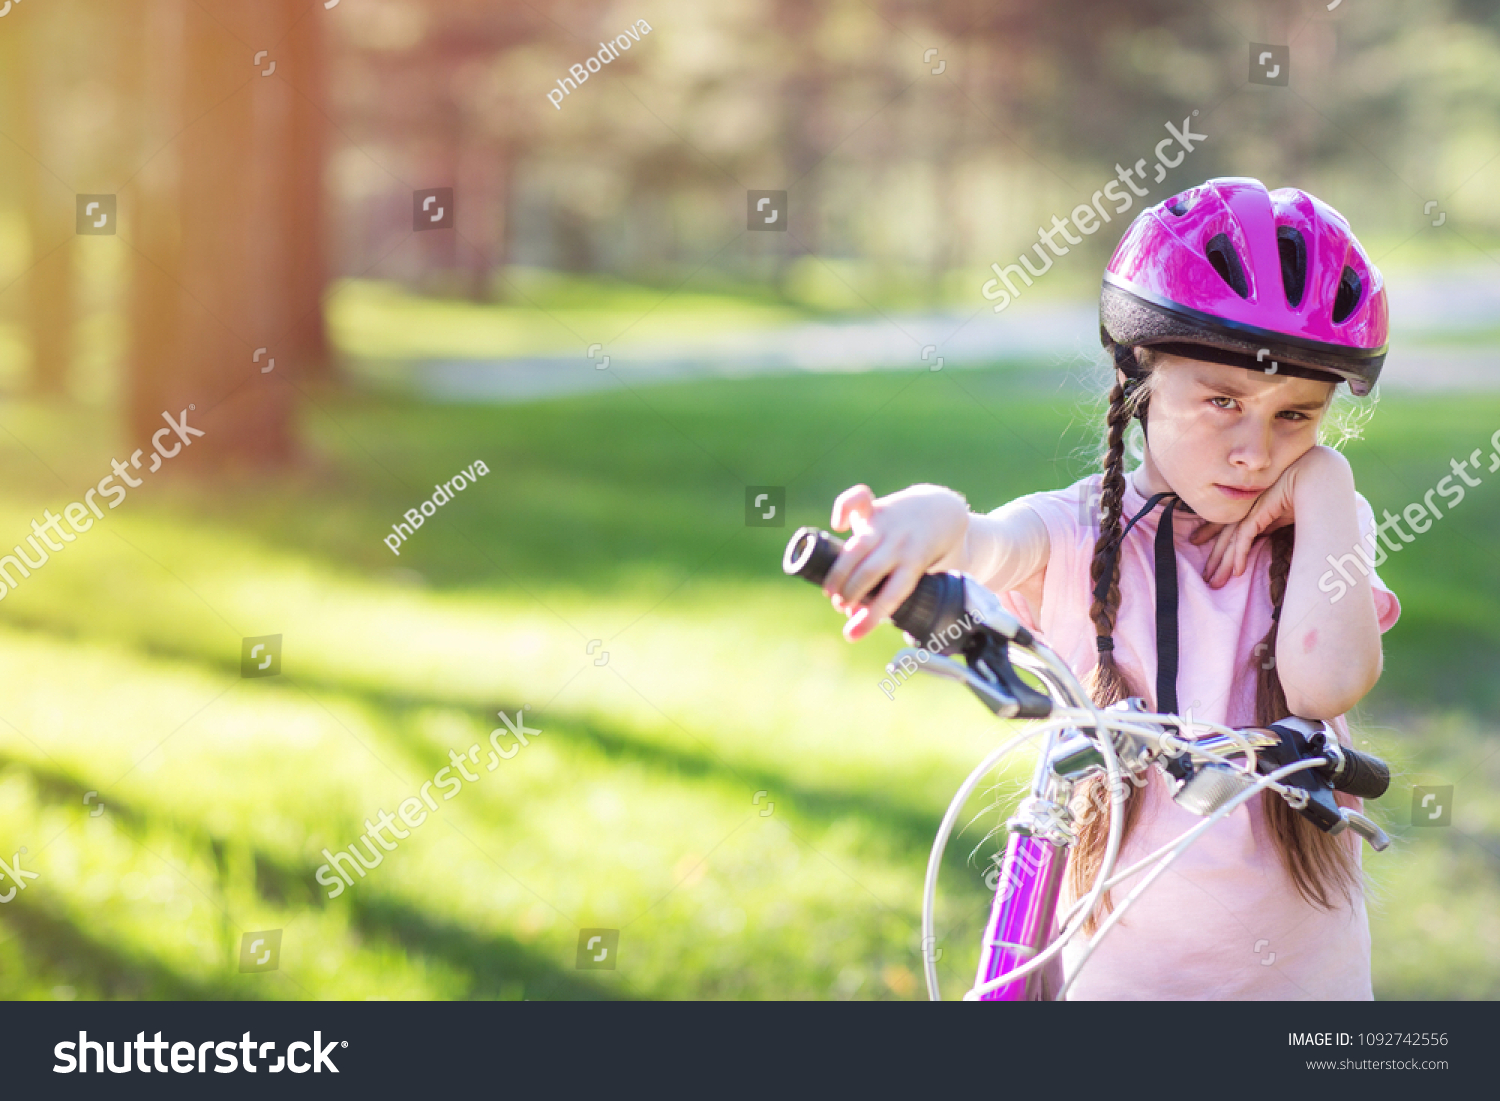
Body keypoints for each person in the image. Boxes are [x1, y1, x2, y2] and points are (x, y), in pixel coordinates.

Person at [820, 177, 1401, 999]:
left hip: (1307, 989)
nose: (1255, 452)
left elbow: (1327, 681)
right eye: (1223, 401)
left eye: (1296, 417)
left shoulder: (1322, 528)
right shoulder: (1078, 529)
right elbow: (985, 542)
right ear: (1138, 375)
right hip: (1119, 981)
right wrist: (932, 517)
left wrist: (1328, 482)